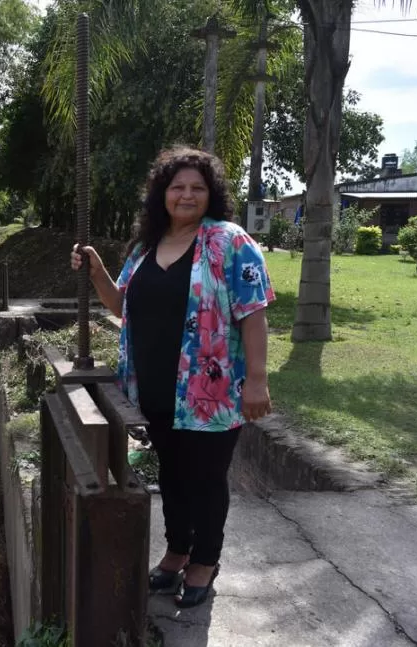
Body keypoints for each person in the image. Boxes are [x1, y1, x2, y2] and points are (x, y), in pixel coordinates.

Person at [70, 146, 274, 608]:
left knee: (206, 479)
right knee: (175, 476)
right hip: (157, 387)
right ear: (162, 194)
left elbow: (254, 312)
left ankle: (205, 560)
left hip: (212, 391)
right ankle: (177, 550)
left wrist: (257, 382)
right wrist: (99, 271)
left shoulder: (229, 241)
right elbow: (124, 306)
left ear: (211, 194)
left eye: (197, 188)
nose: (186, 195)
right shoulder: (146, 248)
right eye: (177, 187)